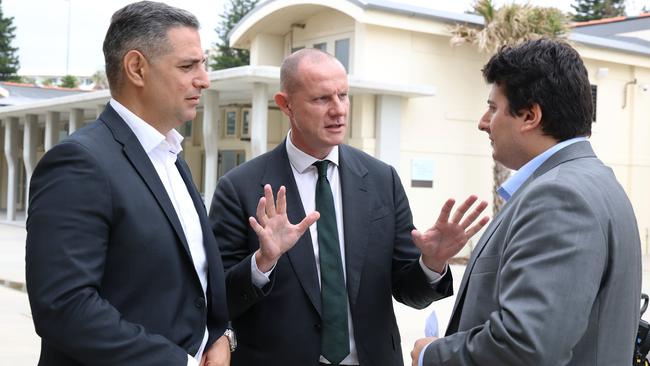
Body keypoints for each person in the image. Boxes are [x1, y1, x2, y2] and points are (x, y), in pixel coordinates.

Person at [208, 48, 488, 366]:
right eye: (321, 99)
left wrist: (432, 263)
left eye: (343, 95)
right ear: (285, 104)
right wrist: (263, 262)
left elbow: (411, 293)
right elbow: (217, 300)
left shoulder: (383, 179)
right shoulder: (239, 187)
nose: (338, 110)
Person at [411, 38, 642, 366]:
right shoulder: (590, 181)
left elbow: (527, 346)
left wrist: (432, 355)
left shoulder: (561, 198)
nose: (482, 122)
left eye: (493, 108)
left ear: (530, 116)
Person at [25, 2, 232, 365]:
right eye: (188, 66)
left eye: (203, 64)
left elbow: (189, 286)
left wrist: (220, 335)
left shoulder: (171, 157)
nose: (204, 79)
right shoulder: (79, 163)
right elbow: (65, 307)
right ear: (137, 68)